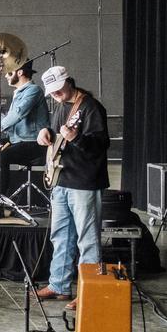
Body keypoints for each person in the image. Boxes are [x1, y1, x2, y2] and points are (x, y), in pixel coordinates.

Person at [34, 65, 110, 310]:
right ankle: (59, 284)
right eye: (52, 92)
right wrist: (45, 133)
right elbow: (56, 136)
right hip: (61, 179)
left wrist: (76, 137)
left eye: (58, 90)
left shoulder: (91, 108)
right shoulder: (60, 106)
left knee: (87, 239)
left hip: (84, 182)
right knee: (61, 236)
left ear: (69, 82)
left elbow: (101, 145)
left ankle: (90, 291)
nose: (55, 95)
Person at [0, 60, 51, 195]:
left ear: (20, 72)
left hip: (34, 142)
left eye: (8, 73)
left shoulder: (34, 90)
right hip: (17, 140)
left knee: (2, 157)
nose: (5, 76)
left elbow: (18, 114)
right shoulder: (19, 92)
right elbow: (11, 116)